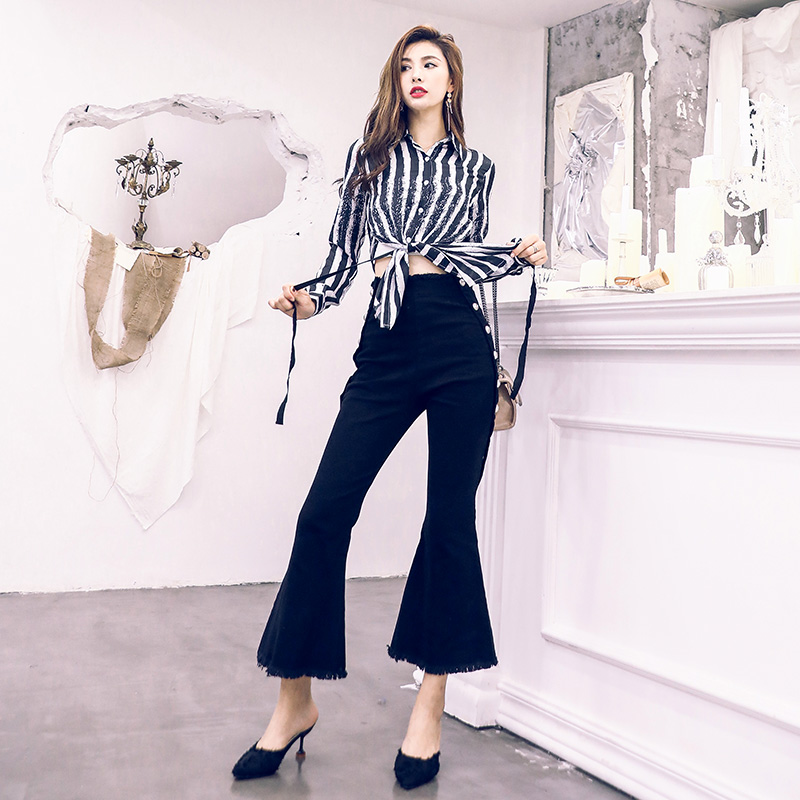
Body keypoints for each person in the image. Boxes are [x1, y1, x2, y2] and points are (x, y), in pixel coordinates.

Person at [232, 24, 548, 791]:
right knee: (323, 513)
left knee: (448, 523)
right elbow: (344, 261)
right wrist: (307, 299)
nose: (416, 75)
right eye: (406, 66)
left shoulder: (476, 167)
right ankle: (294, 701)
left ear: (451, 81)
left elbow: (466, 256)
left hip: (457, 342)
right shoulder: (368, 159)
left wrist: (519, 254)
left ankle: (429, 706)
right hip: (386, 338)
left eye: (429, 64)